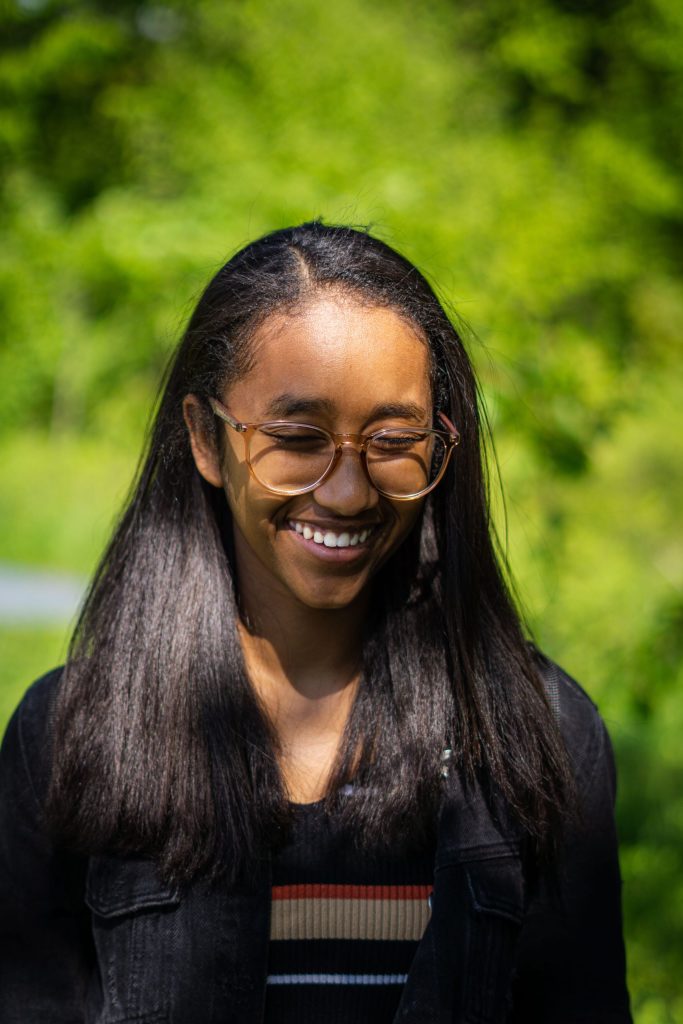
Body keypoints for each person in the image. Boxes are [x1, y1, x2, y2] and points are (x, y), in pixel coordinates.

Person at [0, 222, 631, 1023]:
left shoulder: (540, 736)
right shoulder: (72, 739)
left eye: (392, 440)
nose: (346, 492)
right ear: (204, 438)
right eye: (298, 439)